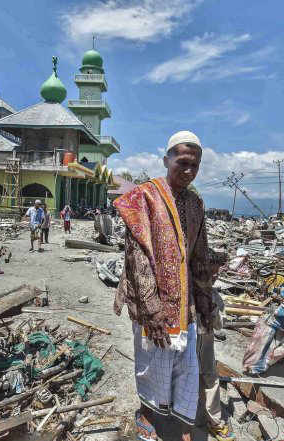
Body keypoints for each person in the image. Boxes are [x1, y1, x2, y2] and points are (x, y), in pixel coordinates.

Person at [113, 131, 214, 441]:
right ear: (166, 160)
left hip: (186, 303)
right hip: (151, 300)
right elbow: (137, 255)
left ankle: (181, 423)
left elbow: (199, 253)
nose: (188, 171)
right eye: (181, 162)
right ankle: (147, 414)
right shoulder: (144, 195)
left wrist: (205, 299)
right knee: (153, 362)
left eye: (194, 165)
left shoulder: (196, 203)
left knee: (186, 365)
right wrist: (152, 308)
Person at [197, 249, 234, 441]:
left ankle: (214, 422)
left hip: (205, 350)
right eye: (210, 272)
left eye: (216, 273)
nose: (214, 276)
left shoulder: (214, 295)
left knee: (210, 381)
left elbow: (221, 324)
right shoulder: (188, 292)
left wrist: (213, 313)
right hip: (186, 349)